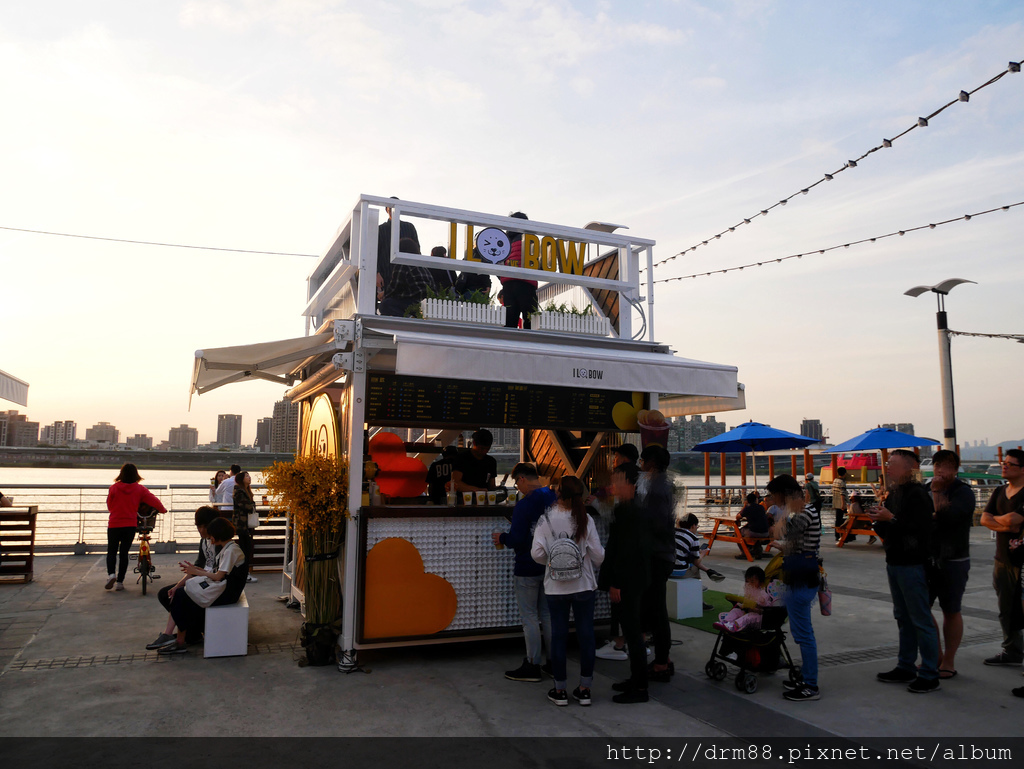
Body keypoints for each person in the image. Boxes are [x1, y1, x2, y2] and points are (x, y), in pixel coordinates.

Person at [868, 449, 939, 694]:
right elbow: (890, 528)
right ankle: (905, 665)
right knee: (903, 617)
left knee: (920, 619)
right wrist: (880, 520)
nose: (888, 467)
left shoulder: (918, 495)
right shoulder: (895, 493)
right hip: (895, 562)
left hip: (913, 564)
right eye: (887, 463)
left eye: (893, 463)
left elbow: (920, 531)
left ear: (908, 468)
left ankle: (930, 673)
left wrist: (892, 519)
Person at [531, 475, 605, 707]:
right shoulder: (585, 519)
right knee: (586, 635)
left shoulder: (546, 520)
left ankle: (560, 689)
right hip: (583, 585)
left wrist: (553, 564)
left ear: (558, 493)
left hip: (555, 587)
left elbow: (536, 554)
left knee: (559, 636)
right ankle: (585, 689)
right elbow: (599, 556)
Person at [493, 462, 557, 682]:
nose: (517, 488)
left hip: (527, 566)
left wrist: (502, 538)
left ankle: (532, 665)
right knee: (548, 616)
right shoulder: (554, 498)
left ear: (521, 479)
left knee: (529, 617)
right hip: (550, 565)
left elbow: (518, 539)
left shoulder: (524, 505)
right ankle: (553, 663)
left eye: (516, 483)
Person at [767, 473, 822, 702]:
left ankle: (810, 684)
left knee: (804, 634)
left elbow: (783, 535)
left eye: (773, 495)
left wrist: (776, 523)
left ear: (783, 494)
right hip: (804, 573)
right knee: (802, 632)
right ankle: (807, 679)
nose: (771, 499)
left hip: (801, 576)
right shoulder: (806, 511)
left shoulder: (801, 514)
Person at [601, 463, 653, 704]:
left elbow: (626, 552)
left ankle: (640, 687)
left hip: (628, 581)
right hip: (635, 579)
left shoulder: (631, 512)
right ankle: (635, 679)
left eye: (618, 481)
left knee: (633, 634)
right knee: (632, 633)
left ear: (630, 483)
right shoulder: (632, 508)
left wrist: (616, 583)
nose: (615, 486)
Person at [158, 517, 247, 656]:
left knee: (182, 596)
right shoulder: (228, 548)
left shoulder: (230, 551)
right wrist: (196, 571)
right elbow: (217, 573)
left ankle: (180, 641)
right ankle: (183, 638)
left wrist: (196, 572)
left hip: (228, 593)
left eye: (211, 535)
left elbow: (219, 576)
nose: (210, 539)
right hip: (223, 588)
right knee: (182, 595)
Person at [926, 449, 976, 679]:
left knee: (951, 610)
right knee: (921, 609)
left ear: (956, 470)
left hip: (954, 558)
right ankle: (934, 655)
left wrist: (936, 497)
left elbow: (947, 517)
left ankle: (949, 660)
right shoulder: (926, 488)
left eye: (945, 466)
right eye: (937, 465)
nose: (940, 470)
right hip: (928, 557)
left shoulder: (963, 492)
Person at [147, 506, 220, 650]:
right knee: (165, 593)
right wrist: (177, 585)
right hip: (202, 580)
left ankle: (173, 636)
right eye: (198, 526)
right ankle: (192, 633)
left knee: (181, 595)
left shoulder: (218, 543)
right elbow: (198, 567)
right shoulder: (204, 542)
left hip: (213, 583)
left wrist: (189, 580)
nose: (199, 530)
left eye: (202, 526)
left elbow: (216, 573)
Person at [979, 448, 1024, 669]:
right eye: (1003, 462)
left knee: (1021, 608)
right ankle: (1012, 650)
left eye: (1010, 464)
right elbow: (984, 519)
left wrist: (1000, 521)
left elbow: (1014, 519)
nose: (1004, 466)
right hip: (1002, 559)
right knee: (1006, 608)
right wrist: (1003, 522)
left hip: (1022, 561)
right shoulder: (998, 492)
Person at [637, 444, 676, 683]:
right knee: (655, 608)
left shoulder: (655, 488)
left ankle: (661, 662)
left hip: (656, 555)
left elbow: (655, 523)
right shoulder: (663, 484)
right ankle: (663, 658)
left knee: (657, 610)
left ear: (651, 463)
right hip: (662, 553)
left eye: (642, 461)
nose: (640, 465)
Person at [104, 463, 166, 592]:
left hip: (114, 523)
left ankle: (111, 575)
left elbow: (109, 506)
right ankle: (120, 582)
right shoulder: (140, 489)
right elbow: (153, 500)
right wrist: (163, 510)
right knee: (124, 553)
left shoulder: (114, 488)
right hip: (130, 525)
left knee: (112, 551)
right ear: (136, 475)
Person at [376, 196, 421, 311]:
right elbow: (375, 252)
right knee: (387, 301)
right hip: (386, 271)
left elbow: (417, 250)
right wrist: (377, 272)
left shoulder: (409, 227)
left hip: (409, 273)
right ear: (387, 210)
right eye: (390, 208)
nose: (393, 210)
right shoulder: (381, 229)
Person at [498, 212, 538, 329]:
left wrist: (503, 277)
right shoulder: (529, 239)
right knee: (530, 318)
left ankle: (509, 344)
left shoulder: (505, 242)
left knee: (510, 319)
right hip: (526, 282)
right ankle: (529, 344)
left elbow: (499, 263)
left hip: (508, 284)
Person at [378, 237, 436, 317]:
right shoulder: (423, 267)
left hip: (414, 303)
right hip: (429, 305)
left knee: (385, 305)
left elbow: (395, 288)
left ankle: (408, 317)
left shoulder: (402, 264)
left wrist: (384, 295)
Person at [713, 566, 780, 633]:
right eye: (747, 581)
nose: (749, 584)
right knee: (736, 610)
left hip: (760, 617)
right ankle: (726, 622)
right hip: (747, 611)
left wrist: (761, 604)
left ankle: (734, 626)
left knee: (748, 616)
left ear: (761, 583)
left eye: (752, 581)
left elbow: (767, 607)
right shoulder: (749, 591)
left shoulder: (763, 594)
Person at [674, 513, 725, 583]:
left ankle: (709, 571)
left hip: (663, 568)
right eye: (697, 526)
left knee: (690, 559)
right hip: (677, 570)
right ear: (693, 526)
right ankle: (697, 586)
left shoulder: (673, 532)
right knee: (694, 566)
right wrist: (702, 554)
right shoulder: (693, 538)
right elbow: (696, 561)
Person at [451, 429, 497, 493]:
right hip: (463, 500)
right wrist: (478, 490)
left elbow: (491, 486)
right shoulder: (461, 458)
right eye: (482, 448)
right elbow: (455, 483)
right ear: (474, 443)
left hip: (484, 500)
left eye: (487, 449)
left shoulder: (491, 461)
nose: (484, 451)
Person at [232, 470, 258, 583]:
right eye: (246, 476)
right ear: (241, 479)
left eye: (249, 476)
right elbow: (245, 506)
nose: (249, 477)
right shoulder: (239, 491)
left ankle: (245, 573)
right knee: (245, 549)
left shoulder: (245, 491)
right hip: (241, 524)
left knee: (246, 548)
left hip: (245, 524)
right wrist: (252, 505)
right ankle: (244, 573)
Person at [735, 491, 770, 558]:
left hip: (755, 532)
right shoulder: (761, 508)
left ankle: (744, 552)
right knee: (749, 530)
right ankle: (755, 550)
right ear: (756, 500)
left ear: (747, 500)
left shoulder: (748, 508)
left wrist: (744, 506)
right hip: (765, 532)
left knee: (738, 533)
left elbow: (738, 516)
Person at [832, 466, 850, 542]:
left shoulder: (835, 480)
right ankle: (846, 534)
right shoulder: (842, 482)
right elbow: (842, 493)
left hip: (835, 502)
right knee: (849, 518)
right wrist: (843, 504)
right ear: (844, 473)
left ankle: (837, 535)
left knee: (838, 519)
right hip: (842, 503)